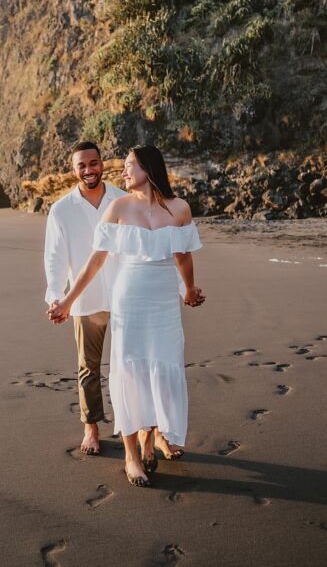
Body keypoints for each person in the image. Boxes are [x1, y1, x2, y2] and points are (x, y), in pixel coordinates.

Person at [48, 145, 206, 487]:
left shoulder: (179, 208)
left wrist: (189, 290)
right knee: (130, 372)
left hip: (164, 303)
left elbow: (183, 258)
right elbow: (95, 261)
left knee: (160, 370)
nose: (124, 171)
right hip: (129, 300)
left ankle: (151, 441)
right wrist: (65, 301)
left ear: (148, 168)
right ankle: (132, 457)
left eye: (130, 165)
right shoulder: (118, 207)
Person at [44, 141, 126, 456]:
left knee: (130, 366)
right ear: (73, 168)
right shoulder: (61, 209)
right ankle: (91, 428)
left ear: (102, 163)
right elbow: (54, 258)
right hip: (84, 300)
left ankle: (138, 427)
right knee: (88, 369)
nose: (89, 170)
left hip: (123, 295)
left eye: (93, 163)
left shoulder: (122, 200)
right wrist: (56, 296)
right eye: (82, 165)